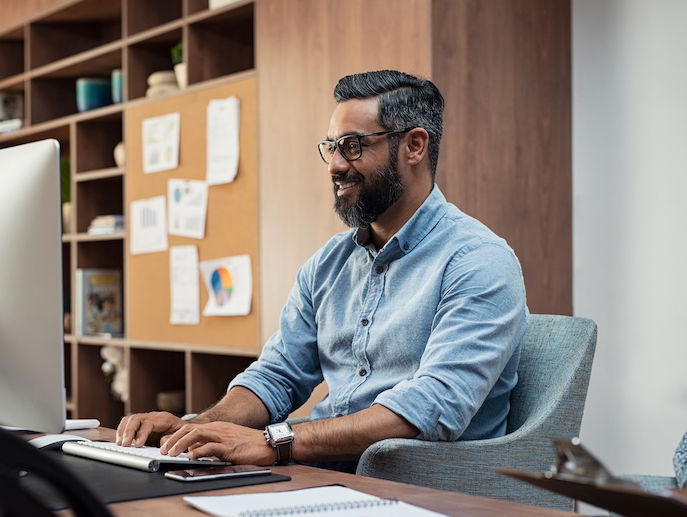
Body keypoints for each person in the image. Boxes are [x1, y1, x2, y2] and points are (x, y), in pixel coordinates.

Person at [116, 70, 529, 472]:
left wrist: (275, 443)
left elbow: (432, 406)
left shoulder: (479, 261)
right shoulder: (328, 264)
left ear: (414, 146)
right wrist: (197, 429)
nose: (334, 165)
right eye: (330, 147)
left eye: (351, 146)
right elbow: (278, 375)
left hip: (421, 490)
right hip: (319, 473)